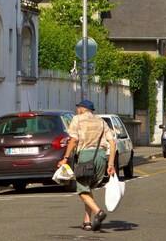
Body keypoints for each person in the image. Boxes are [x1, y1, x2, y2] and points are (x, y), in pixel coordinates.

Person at [58, 99, 116, 232]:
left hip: (85, 156)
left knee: (81, 189)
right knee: (88, 189)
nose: (77, 110)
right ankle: (87, 222)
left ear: (81, 109)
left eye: (78, 107)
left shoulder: (77, 119)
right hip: (101, 157)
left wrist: (65, 159)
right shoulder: (101, 121)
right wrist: (111, 163)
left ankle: (98, 212)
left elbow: (73, 140)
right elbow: (112, 143)